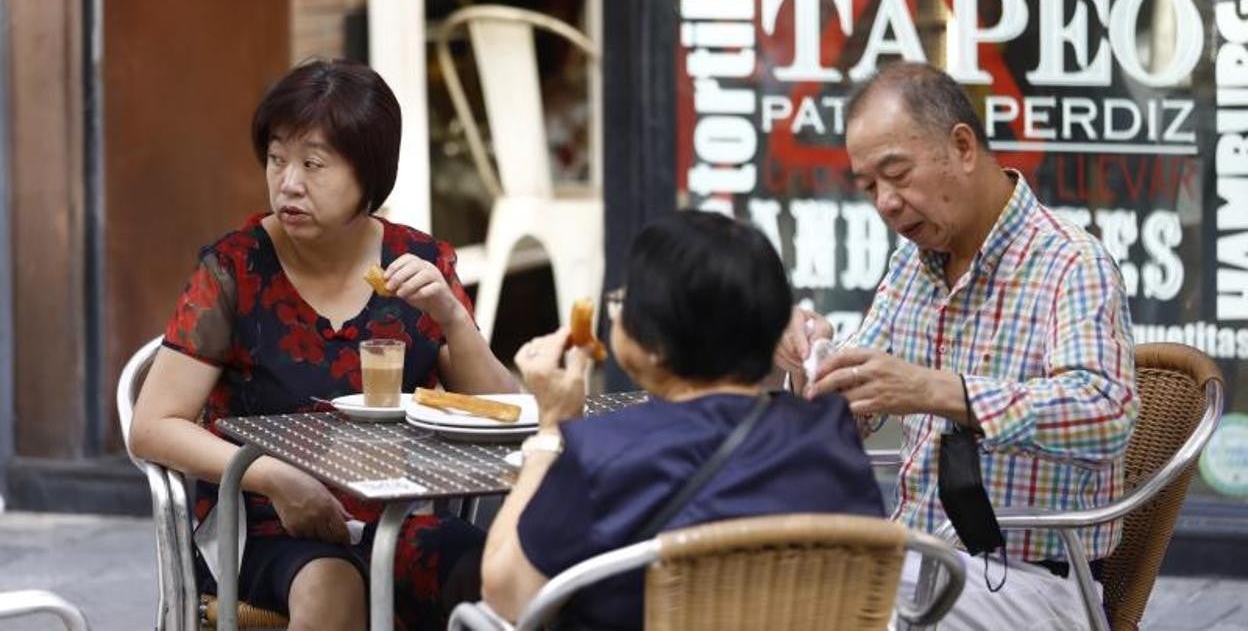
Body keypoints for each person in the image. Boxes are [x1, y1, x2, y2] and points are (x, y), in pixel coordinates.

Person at [130, 58, 517, 630]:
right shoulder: (236, 268)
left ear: (369, 175)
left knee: (498, 574)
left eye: (313, 164)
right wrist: (272, 475)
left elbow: (502, 411)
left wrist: (452, 319)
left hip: (397, 517)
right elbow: (153, 424)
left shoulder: (419, 263)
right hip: (268, 523)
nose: (288, 183)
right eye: (277, 159)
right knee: (331, 585)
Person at [775, 62, 1138, 628]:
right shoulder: (913, 265)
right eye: (869, 187)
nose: (886, 204)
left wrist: (941, 391)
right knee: (760, 588)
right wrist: (812, 363)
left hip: (1033, 580)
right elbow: (850, 414)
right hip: (920, 559)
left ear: (963, 146)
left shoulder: (1070, 261)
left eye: (897, 174)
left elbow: (1105, 413)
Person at [480, 210, 885, 629]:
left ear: (654, 343)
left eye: (624, 302)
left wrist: (552, 428)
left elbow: (507, 595)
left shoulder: (601, 449)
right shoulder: (830, 433)